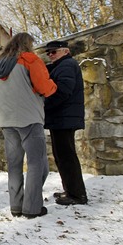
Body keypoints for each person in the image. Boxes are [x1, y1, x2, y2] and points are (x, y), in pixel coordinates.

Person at [0, 32, 57, 218]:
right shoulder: (30, 60)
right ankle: (32, 208)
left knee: (14, 165)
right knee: (38, 164)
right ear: (27, 44)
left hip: (6, 120)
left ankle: (16, 206)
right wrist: (54, 85)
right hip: (29, 118)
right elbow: (45, 88)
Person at [44, 40, 88, 205]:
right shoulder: (62, 66)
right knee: (62, 156)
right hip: (62, 118)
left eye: (53, 52)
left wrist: (44, 106)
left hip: (64, 118)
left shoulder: (67, 65)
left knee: (66, 157)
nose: (50, 55)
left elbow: (62, 91)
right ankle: (71, 190)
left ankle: (77, 195)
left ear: (65, 51)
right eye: (48, 53)